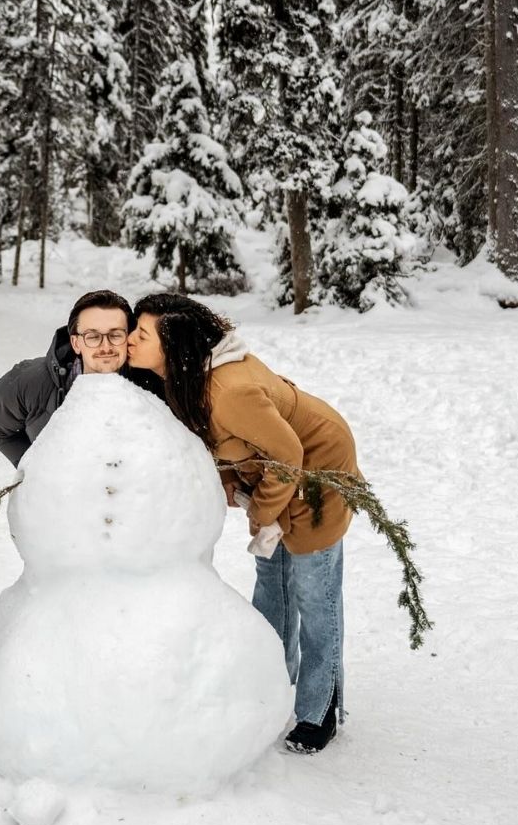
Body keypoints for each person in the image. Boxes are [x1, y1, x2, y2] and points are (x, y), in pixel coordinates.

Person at [126, 292, 360, 755]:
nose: (130, 340)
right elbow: (229, 444)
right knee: (273, 584)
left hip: (318, 475)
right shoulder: (188, 379)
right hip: (276, 473)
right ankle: (270, 685)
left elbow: (289, 453)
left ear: (172, 346)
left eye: (141, 334)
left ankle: (320, 711)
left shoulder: (228, 392)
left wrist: (263, 512)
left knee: (315, 592)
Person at [0, 290, 159, 467]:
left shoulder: (150, 385)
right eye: (93, 337)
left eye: (115, 335)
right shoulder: (30, 381)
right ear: (76, 343)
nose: (106, 347)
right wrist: (34, 469)